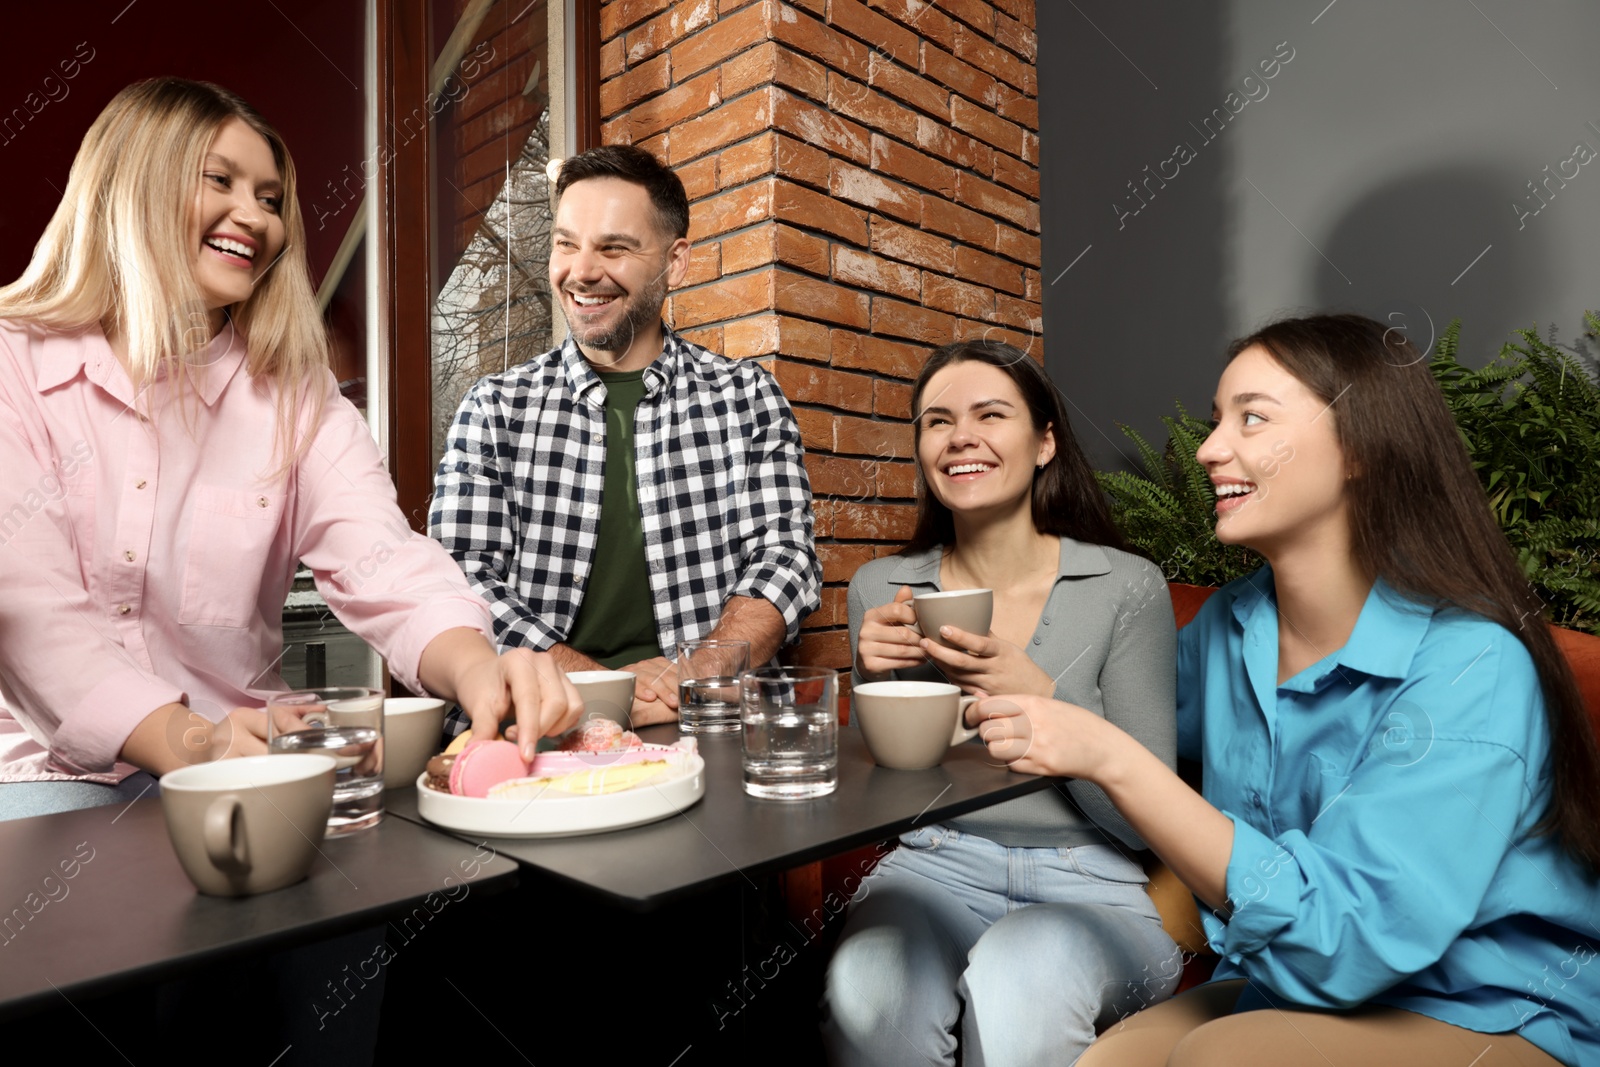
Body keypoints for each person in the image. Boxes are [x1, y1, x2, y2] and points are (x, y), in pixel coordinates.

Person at [970, 315, 1600, 1066]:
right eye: (1214, 421)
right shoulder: (1231, 627)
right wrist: (1030, 682)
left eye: (1253, 418)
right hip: (1283, 979)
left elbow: (1353, 940)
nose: (1208, 449)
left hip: (1487, 1003)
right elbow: (1135, 726)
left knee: (1219, 1058)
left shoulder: (1472, 665)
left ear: (1360, 447)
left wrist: (1111, 757)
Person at [0, 78, 581, 823]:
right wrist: (192, 741)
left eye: (271, 199)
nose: (256, 217)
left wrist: (479, 666)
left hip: (256, 772)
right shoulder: (15, 360)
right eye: (221, 181)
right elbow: (30, 613)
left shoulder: (296, 399)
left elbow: (387, 560)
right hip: (45, 777)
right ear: (133, 181)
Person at [820, 340, 1183, 1067]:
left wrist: (1044, 696)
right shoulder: (882, 586)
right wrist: (878, 677)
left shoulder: (1126, 585)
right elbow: (883, 794)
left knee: (1025, 976)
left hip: (1095, 879)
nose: (960, 437)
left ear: (1046, 440)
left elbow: (1146, 826)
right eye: (937, 421)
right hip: (935, 863)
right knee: (869, 989)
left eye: (991, 414)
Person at [430, 144, 821, 728]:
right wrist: (599, 686)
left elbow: (785, 558)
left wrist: (696, 672)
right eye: (566, 243)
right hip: (542, 731)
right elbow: (459, 580)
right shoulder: (494, 408)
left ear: (676, 262)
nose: (581, 271)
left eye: (614, 247)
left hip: (705, 724)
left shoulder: (747, 397)